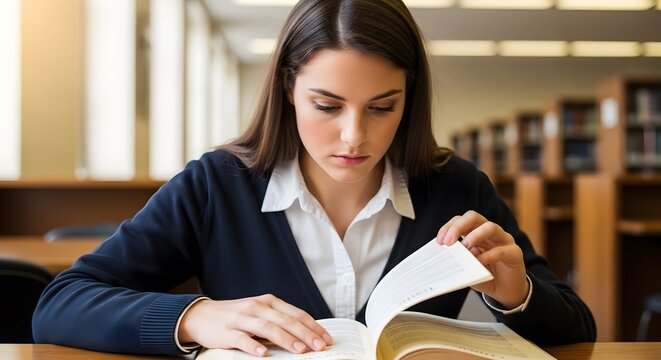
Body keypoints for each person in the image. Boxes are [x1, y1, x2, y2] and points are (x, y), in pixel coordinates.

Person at [32, 0, 596, 356]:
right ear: (287, 90)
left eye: (382, 107)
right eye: (327, 106)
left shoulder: (457, 188)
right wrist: (195, 316)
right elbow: (59, 304)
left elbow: (578, 328)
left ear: (410, 101)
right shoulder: (216, 186)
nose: (354, 137)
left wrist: (516, 295)